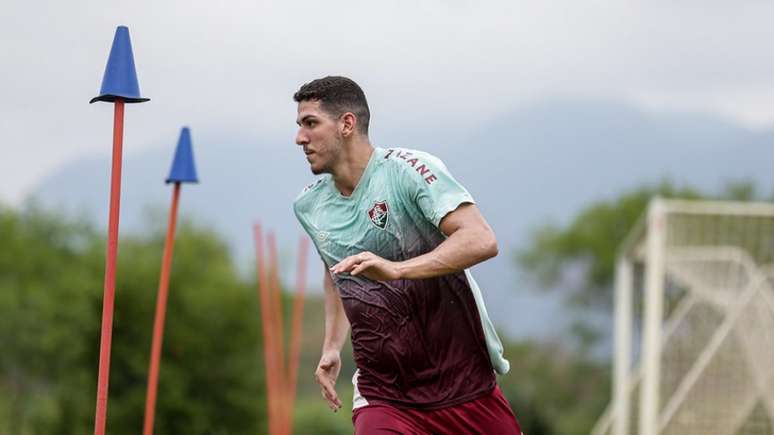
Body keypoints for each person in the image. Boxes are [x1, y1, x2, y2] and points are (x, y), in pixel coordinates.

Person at [292, 76, 522, 434]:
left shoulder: (409, 171)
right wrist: (332, 346)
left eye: (310, 124)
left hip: (465, 385)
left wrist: (397, 270)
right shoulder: (309, 205)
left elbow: (480, 239)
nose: (300, 138)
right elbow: (336, 272)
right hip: (384, 396)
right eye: (299, 126)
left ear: (347, 124)